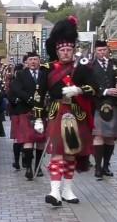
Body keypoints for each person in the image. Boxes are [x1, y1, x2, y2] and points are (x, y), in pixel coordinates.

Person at [41, 16, 97, 206]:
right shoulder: (48, 68)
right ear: (57, 51)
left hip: (76, 113)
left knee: (71, 153)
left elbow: (94, 88)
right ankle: (54, 191)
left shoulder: (83, 67)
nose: (65, 53)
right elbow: (39, 93)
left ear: (73, 49)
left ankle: (68, 189)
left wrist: (79, 90)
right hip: (57, 113)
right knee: (57, 152)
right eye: (62, 50)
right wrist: (37, 118)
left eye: (68, 49)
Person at [90, 40, 117, 180]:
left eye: (104, 50)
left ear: (108, 50)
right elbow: (86, 86)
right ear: (95, 52)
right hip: (98, 105)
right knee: (98, 135)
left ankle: (106, 165)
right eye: (99, 51)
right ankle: (97, 166)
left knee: (110, 137)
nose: (102, 53)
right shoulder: (89, 66)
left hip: (115, 104)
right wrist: (105, 91)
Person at [9, 52, 47, 180]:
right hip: (26, 110)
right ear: (27, 61)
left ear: (39, 61)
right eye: (31, 59)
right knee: (28, 140)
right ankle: (29, 167)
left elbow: (48, 90)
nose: (33, 62)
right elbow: (16, 89)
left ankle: (38, 166)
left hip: (41, 112)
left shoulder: (44, 74)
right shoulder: (20, 74)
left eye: (35, 59)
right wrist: (30, 99)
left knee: (41, 141)